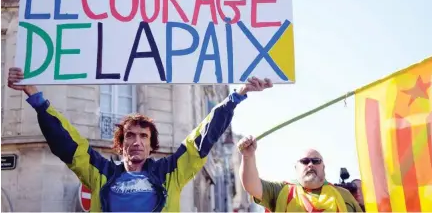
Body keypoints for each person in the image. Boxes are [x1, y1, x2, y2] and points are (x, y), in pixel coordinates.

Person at [7, 67, 272, 212]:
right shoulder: (100, 172)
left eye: (143, 136)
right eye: (130, 136)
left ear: (151, 145)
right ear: (120, 145)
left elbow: (203, 136)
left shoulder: (171, 172)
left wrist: (237, 95)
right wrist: (37, 99)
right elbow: (66, 142)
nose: (137, 141)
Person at [238, 135, 363, 212]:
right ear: (296, 168)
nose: (310, 164)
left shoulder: (344, 195)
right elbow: (252, 186)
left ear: (323, 167)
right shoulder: (282, 191)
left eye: (316, 161)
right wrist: (248, 157)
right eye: (305, 161)